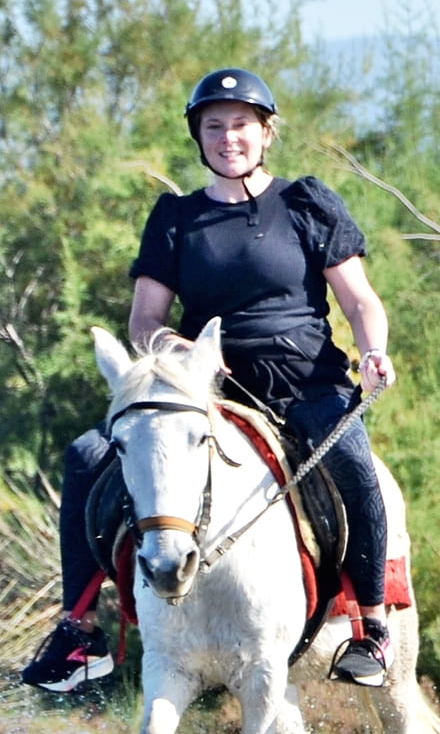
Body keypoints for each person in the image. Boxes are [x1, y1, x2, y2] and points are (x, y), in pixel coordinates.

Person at [21, 68, 404, 692]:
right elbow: (145, 321)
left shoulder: (307, 203)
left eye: (242, 126)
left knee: (355, 467)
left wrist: (374, 351)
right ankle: (79, 631)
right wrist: (184, 351)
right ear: (199, 137)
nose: (230, 138)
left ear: (266, 133)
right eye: (215, 126)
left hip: (305, 381)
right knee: (89, 454)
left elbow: (360, 301)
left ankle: (371, 628)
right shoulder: (176, 219)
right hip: (209, 389)